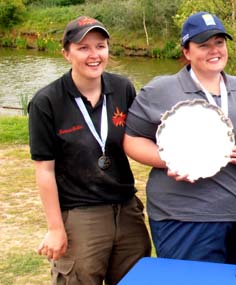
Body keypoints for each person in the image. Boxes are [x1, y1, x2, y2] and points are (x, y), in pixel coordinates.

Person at [123, 11, 236, 264]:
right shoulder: (160, 89)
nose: (214, 50)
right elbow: (132, 140)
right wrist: (170, 160)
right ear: (187, 51)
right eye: (204, 45)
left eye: (219, 43)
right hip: (184, 217)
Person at [28, 16, 151, 285]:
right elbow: (44, 171)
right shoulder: (46, 101)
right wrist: (55, 228)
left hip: (127, 208)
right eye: (83, 48)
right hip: (81, 213)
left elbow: (141, 138)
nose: (94, 55)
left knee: (137, 279)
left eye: (100, 46)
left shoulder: (122, 88)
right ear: (66, 53)